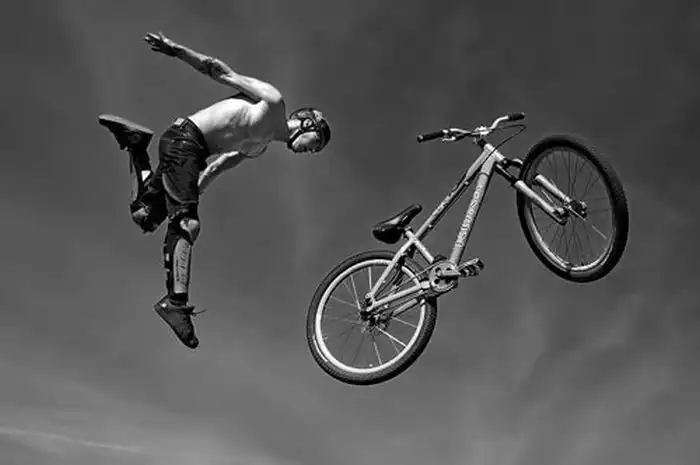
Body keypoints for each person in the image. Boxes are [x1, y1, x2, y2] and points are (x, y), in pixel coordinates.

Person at [98, 31, 331, 350]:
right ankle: (175, 304)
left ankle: (136, 144)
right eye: (316, 143)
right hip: (186, 141)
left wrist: (191, 194)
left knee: (145, 216)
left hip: (189, 155)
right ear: (307, 123)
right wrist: (177, 51)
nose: (311, 151)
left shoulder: (257, 146)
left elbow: (216, 168)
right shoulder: (273, 103)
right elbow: (220, 71)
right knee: (186, 224)